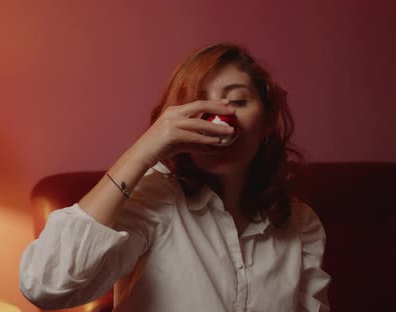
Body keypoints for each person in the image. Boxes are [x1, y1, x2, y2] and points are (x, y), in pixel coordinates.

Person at [19, 43, 331, 311]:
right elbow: (45, 286)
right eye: (198, 103)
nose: (219, 118)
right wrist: (143, 151)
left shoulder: (300, 224)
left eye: (237, 101)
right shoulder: (153, 201)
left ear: (267, 123)